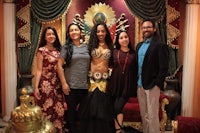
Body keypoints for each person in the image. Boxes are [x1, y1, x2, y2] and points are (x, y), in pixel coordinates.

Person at [79, 22, 115, 133]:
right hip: (91, 80)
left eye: (103, 31)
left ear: (106, 32)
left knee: (103, 111)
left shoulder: (110, 45)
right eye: (98, 31)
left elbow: (114, 62)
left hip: (105, 81)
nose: (100, 33)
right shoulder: (89, 45)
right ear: (95, 32)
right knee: (91, 110)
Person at [136, 19, 169, 133]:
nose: (146, 29)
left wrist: (157, 84)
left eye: (149, 27)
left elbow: (164, 67)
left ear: (154, 29)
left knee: (152, 115)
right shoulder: (139, 46)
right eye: (144, 27)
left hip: (152, 86)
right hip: (140, 85)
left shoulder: (160, 45)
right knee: (144, 114)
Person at [57, 23, 90, 133]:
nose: (74, 32)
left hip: (85, 85)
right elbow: (59, 66)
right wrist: (64, 83)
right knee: (71, 111)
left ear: (80, 32)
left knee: (84, 111)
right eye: (71, 30)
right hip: (70, 85)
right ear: (69, 33)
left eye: (76, 30)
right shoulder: (66, 47)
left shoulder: (87, 47)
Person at [34, 26, 64, 133]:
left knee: (59, 110)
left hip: (57, 84)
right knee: (47, 110)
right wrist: (36, 87)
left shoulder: (59, 50)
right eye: (48, 34)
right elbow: (38, 70)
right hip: (45, 84)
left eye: (53, 34)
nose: (51, 36)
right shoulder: (41, 51)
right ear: (45, 37)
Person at [110, 31, 137, 133]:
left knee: (117, 107)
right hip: (114, 84)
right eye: (121, 38)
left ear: (129, 39)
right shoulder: (114, 52)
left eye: (126, 37)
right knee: (114, 108)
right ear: (118, 40)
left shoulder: (134, 54)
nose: (124, 39)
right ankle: (119, 130)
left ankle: (118, 129)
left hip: (127, 85)